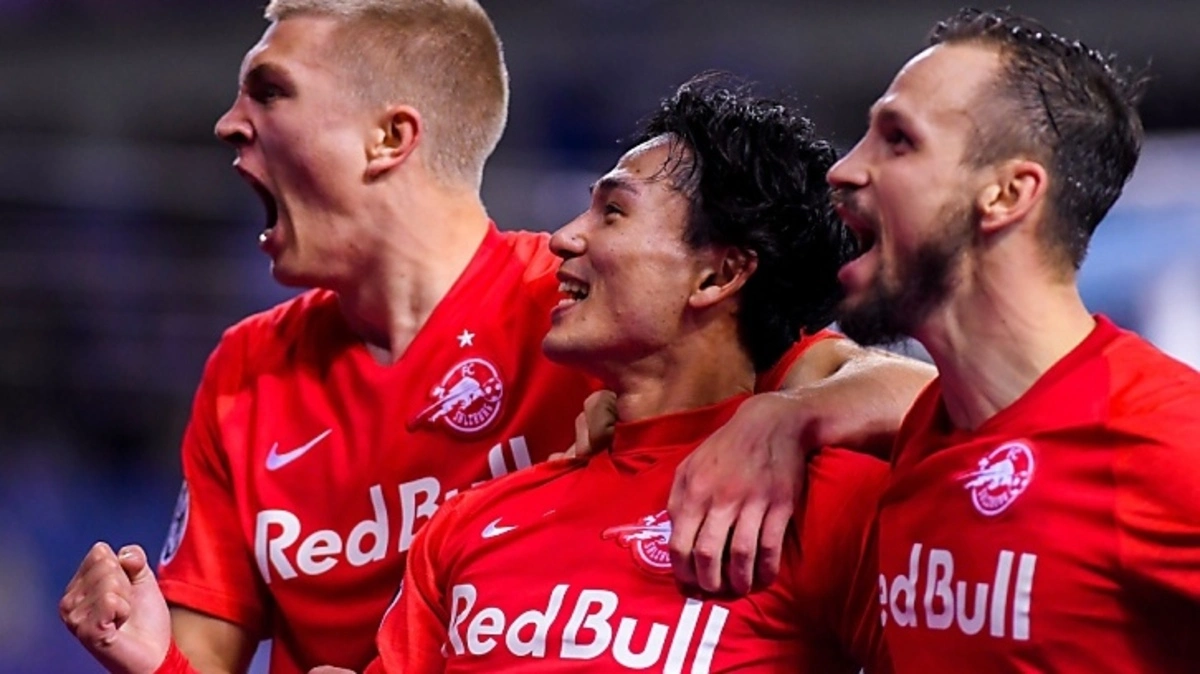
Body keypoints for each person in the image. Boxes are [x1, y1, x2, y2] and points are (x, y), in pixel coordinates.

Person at [57, 2, 933, 673]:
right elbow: (199, 658)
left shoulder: (584, 314)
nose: (228, 122)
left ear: (389, 138)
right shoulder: (251, 371)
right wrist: (145, 652)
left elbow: (905, 390)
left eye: (270, 91)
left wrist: (782, 420)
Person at [358, 73, 891, 674]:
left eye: (612, 212)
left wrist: (788, 416)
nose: (563, 238)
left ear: (717, 276)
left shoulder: (825, 504)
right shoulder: (467, 523)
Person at [826, 8, 1200, 672]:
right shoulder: (927, 434)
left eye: (899, 141)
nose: (844, 169)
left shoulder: (1165, 442)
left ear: (1006, 193)